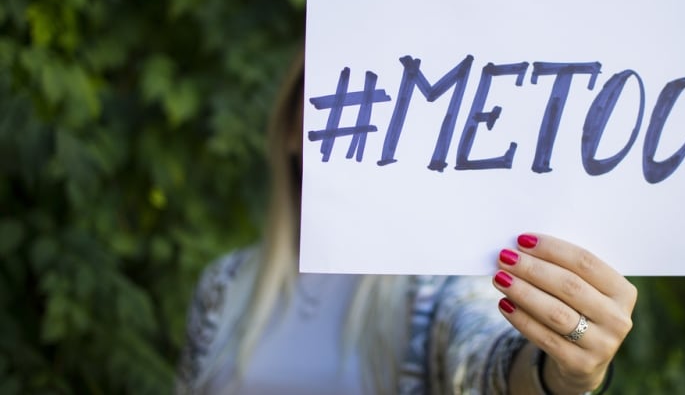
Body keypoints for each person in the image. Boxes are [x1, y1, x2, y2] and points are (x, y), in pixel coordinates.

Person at [175, 52, 637, 394]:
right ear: (292, 126)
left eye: (384, 102)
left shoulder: (436, 285)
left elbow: (481, 362)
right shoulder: (223, 282)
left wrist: (559, 370)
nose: (359, 116)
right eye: (334, 94)